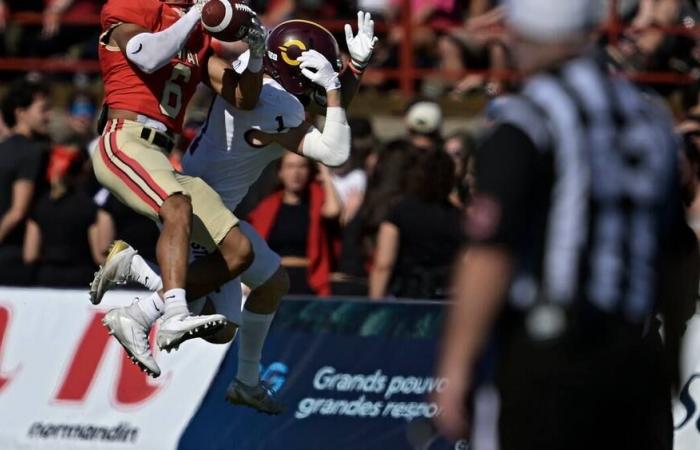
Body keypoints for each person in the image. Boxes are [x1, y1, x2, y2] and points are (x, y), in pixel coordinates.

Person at [96, 14, 378, 412]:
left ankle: (247, 380)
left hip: (213, 204)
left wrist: (354, 69)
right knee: (220, 323)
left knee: (270, 285)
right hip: (203, 210)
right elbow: (334, 149)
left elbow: (326, 105)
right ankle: (140, 302)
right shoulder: (272, 103)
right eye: (314, 74)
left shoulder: (267, 84)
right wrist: (335, 83)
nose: (319, 82)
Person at [435, 1, 684, 449]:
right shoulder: (651, 118)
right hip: (634, 352)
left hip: (551, 352)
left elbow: (492, 249)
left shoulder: (530, 116)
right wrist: (671, 354)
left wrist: (456, 365)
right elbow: (676, 253)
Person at [88, 0, 269, 378]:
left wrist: (256, 52)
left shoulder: (199, 32)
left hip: (161, 151)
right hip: (124, 139)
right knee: (178, 207)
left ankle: (140, 312)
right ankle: (173, 314)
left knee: (239, 252)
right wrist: (192, 18)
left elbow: (243, 98)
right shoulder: (131, 6)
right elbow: (148, 57)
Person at [369, 150, 464, 300]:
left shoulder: (399, 211)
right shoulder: (458, 217)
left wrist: (375, 303)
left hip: (408, 296)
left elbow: (384, 264)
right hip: (444, 297)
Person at [248, 153, 342, 296]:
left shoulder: (316, 201)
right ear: (280, 172)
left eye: (302, 166)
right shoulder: (267, 207)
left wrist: (325, 174)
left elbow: (334, 210)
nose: (296, 173)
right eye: (290, 167)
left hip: (308, 280)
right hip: (273, 279)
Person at [23, 146, 104, 287]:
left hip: (46, 278)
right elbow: (98, 256)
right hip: (80, 278)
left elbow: (30, 255)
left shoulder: (40, 205)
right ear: (82, 173)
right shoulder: (88, 206)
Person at [0, 78, 50, 286]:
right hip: (13, 254)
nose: (48, 117)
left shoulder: (4, 148)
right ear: (20, 113)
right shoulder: (30, 153)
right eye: (42, 109)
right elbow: (18, 211)